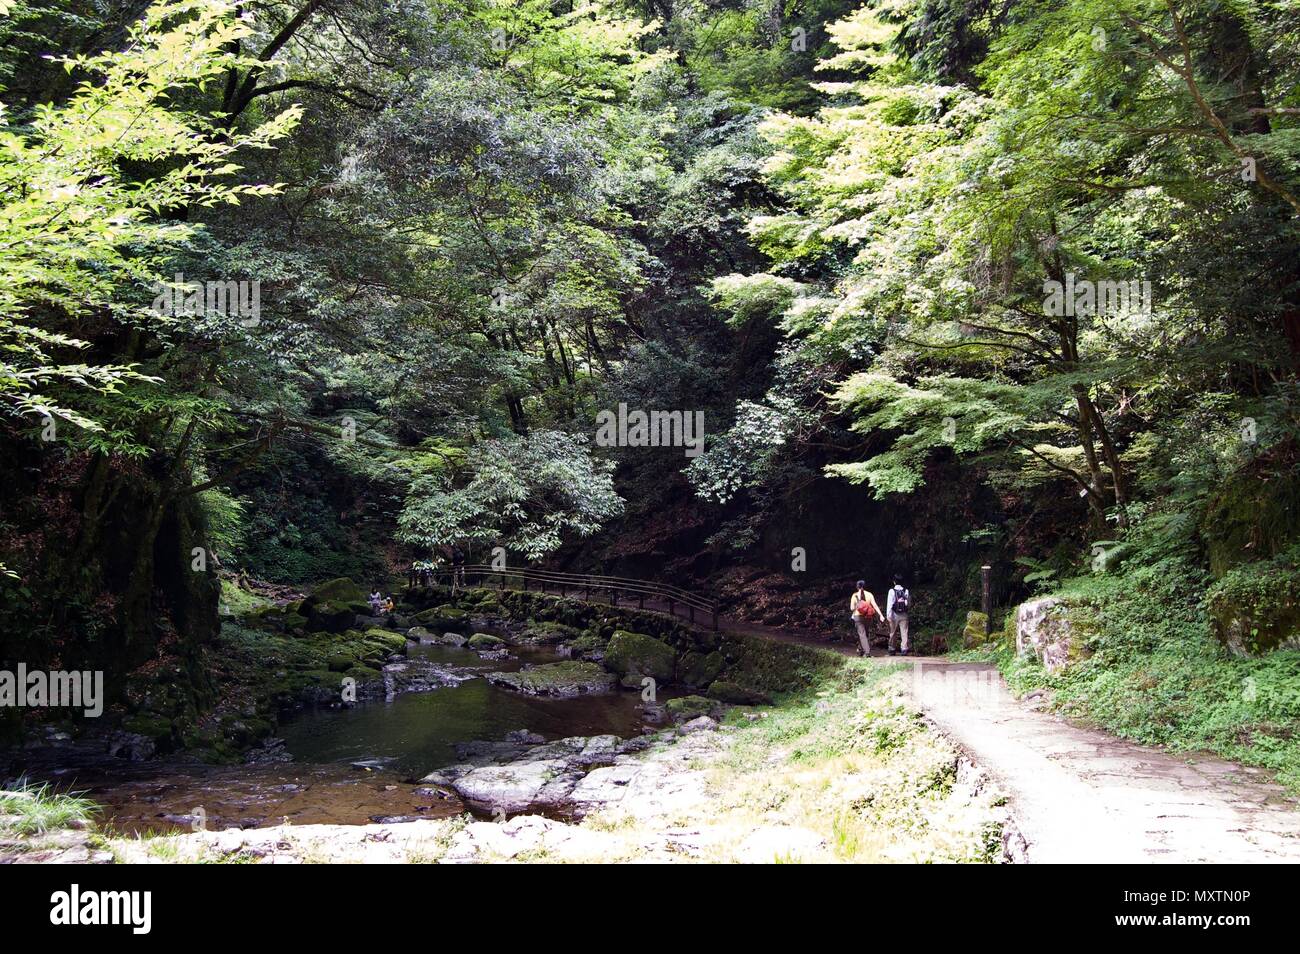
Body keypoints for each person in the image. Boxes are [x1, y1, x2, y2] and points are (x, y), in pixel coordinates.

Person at [848, 580, 882, 657]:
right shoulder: (869, 594)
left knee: (862, 634)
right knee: (864, 634)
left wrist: (857, 606)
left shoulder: (854, 595)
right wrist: (880, 615)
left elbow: (852, 608)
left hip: (858, 617)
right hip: (868, 617)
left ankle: (867, 652)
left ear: (857, 586)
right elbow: (875, 606)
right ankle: (860, 649)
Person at [886, 576, 911, 656]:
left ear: (894, 582)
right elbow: (908, 603)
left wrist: (888, 615)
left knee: (893, 632)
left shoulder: (891, 591)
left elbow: (890, 603)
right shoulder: (906, 590)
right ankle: (904, 649)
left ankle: (892, 649)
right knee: (904, 632)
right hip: (904, 615)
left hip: (894, 615)